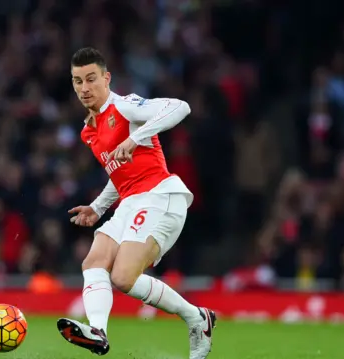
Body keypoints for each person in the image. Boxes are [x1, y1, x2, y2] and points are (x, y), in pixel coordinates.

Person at [57, 47, 216, 359]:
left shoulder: (126, 106)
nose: (85, 88)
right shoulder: (89, 131)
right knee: (93, 262)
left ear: (106, 78)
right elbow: (119, 177)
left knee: (122, 277)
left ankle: (197, 318)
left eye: (91, 79)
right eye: (78, 82)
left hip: (160, 196)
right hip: (131, 201)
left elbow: (180, 107)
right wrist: (98, 208)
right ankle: (98, 332)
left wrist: (135, 137)